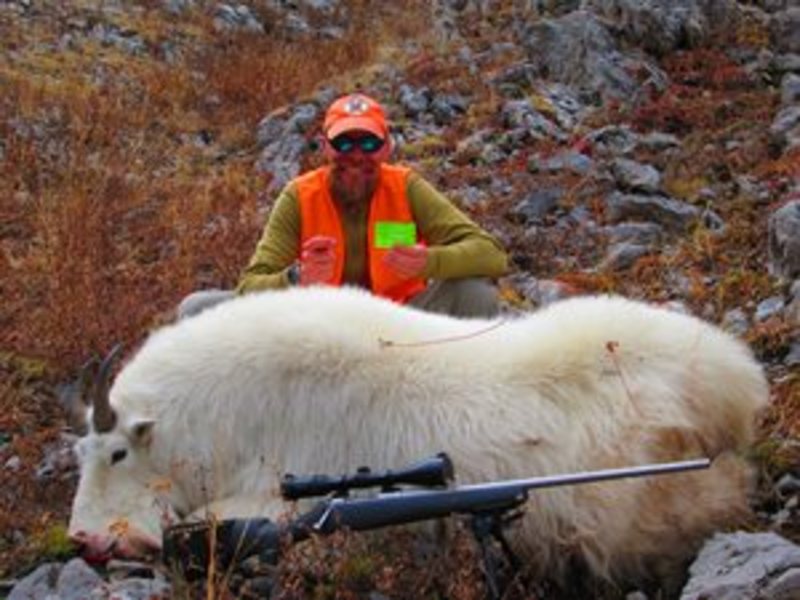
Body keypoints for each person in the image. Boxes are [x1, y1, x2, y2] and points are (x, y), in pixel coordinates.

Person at [179, 93, 508, 319]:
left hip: (400, 326)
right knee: (198, 309)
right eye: (343, 142)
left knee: (475, 295)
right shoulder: (300, 195)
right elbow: (250, 285)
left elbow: (491, 255)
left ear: (386, 147)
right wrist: (297, 278)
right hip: (319, 331)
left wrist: (429, 262)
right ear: (325, 146)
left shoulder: (407, 188)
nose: (356, 153)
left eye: (368, 142)